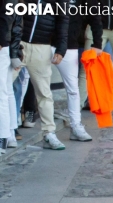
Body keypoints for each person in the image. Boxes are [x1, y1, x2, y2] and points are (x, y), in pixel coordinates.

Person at [21, 0, 69, 150]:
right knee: (5, 89)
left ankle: (49, 133)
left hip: (41, 47)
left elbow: (63, 20)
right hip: (18, 43)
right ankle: (7, 131)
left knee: (44, 93)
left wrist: (61, 48)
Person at [56, 0, 102, 142]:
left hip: (70, 45)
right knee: (24, 81)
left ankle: (75, 126)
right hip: (45, 42)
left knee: (73, 89)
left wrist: (97, 43)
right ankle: (12, 126)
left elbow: (95, 17)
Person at [0, 5, 22, 153]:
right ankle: (9, 135)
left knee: (3, 93)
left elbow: (7, 18)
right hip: (5, 45)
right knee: (6, 91)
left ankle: (3, 137)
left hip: (3, 45)